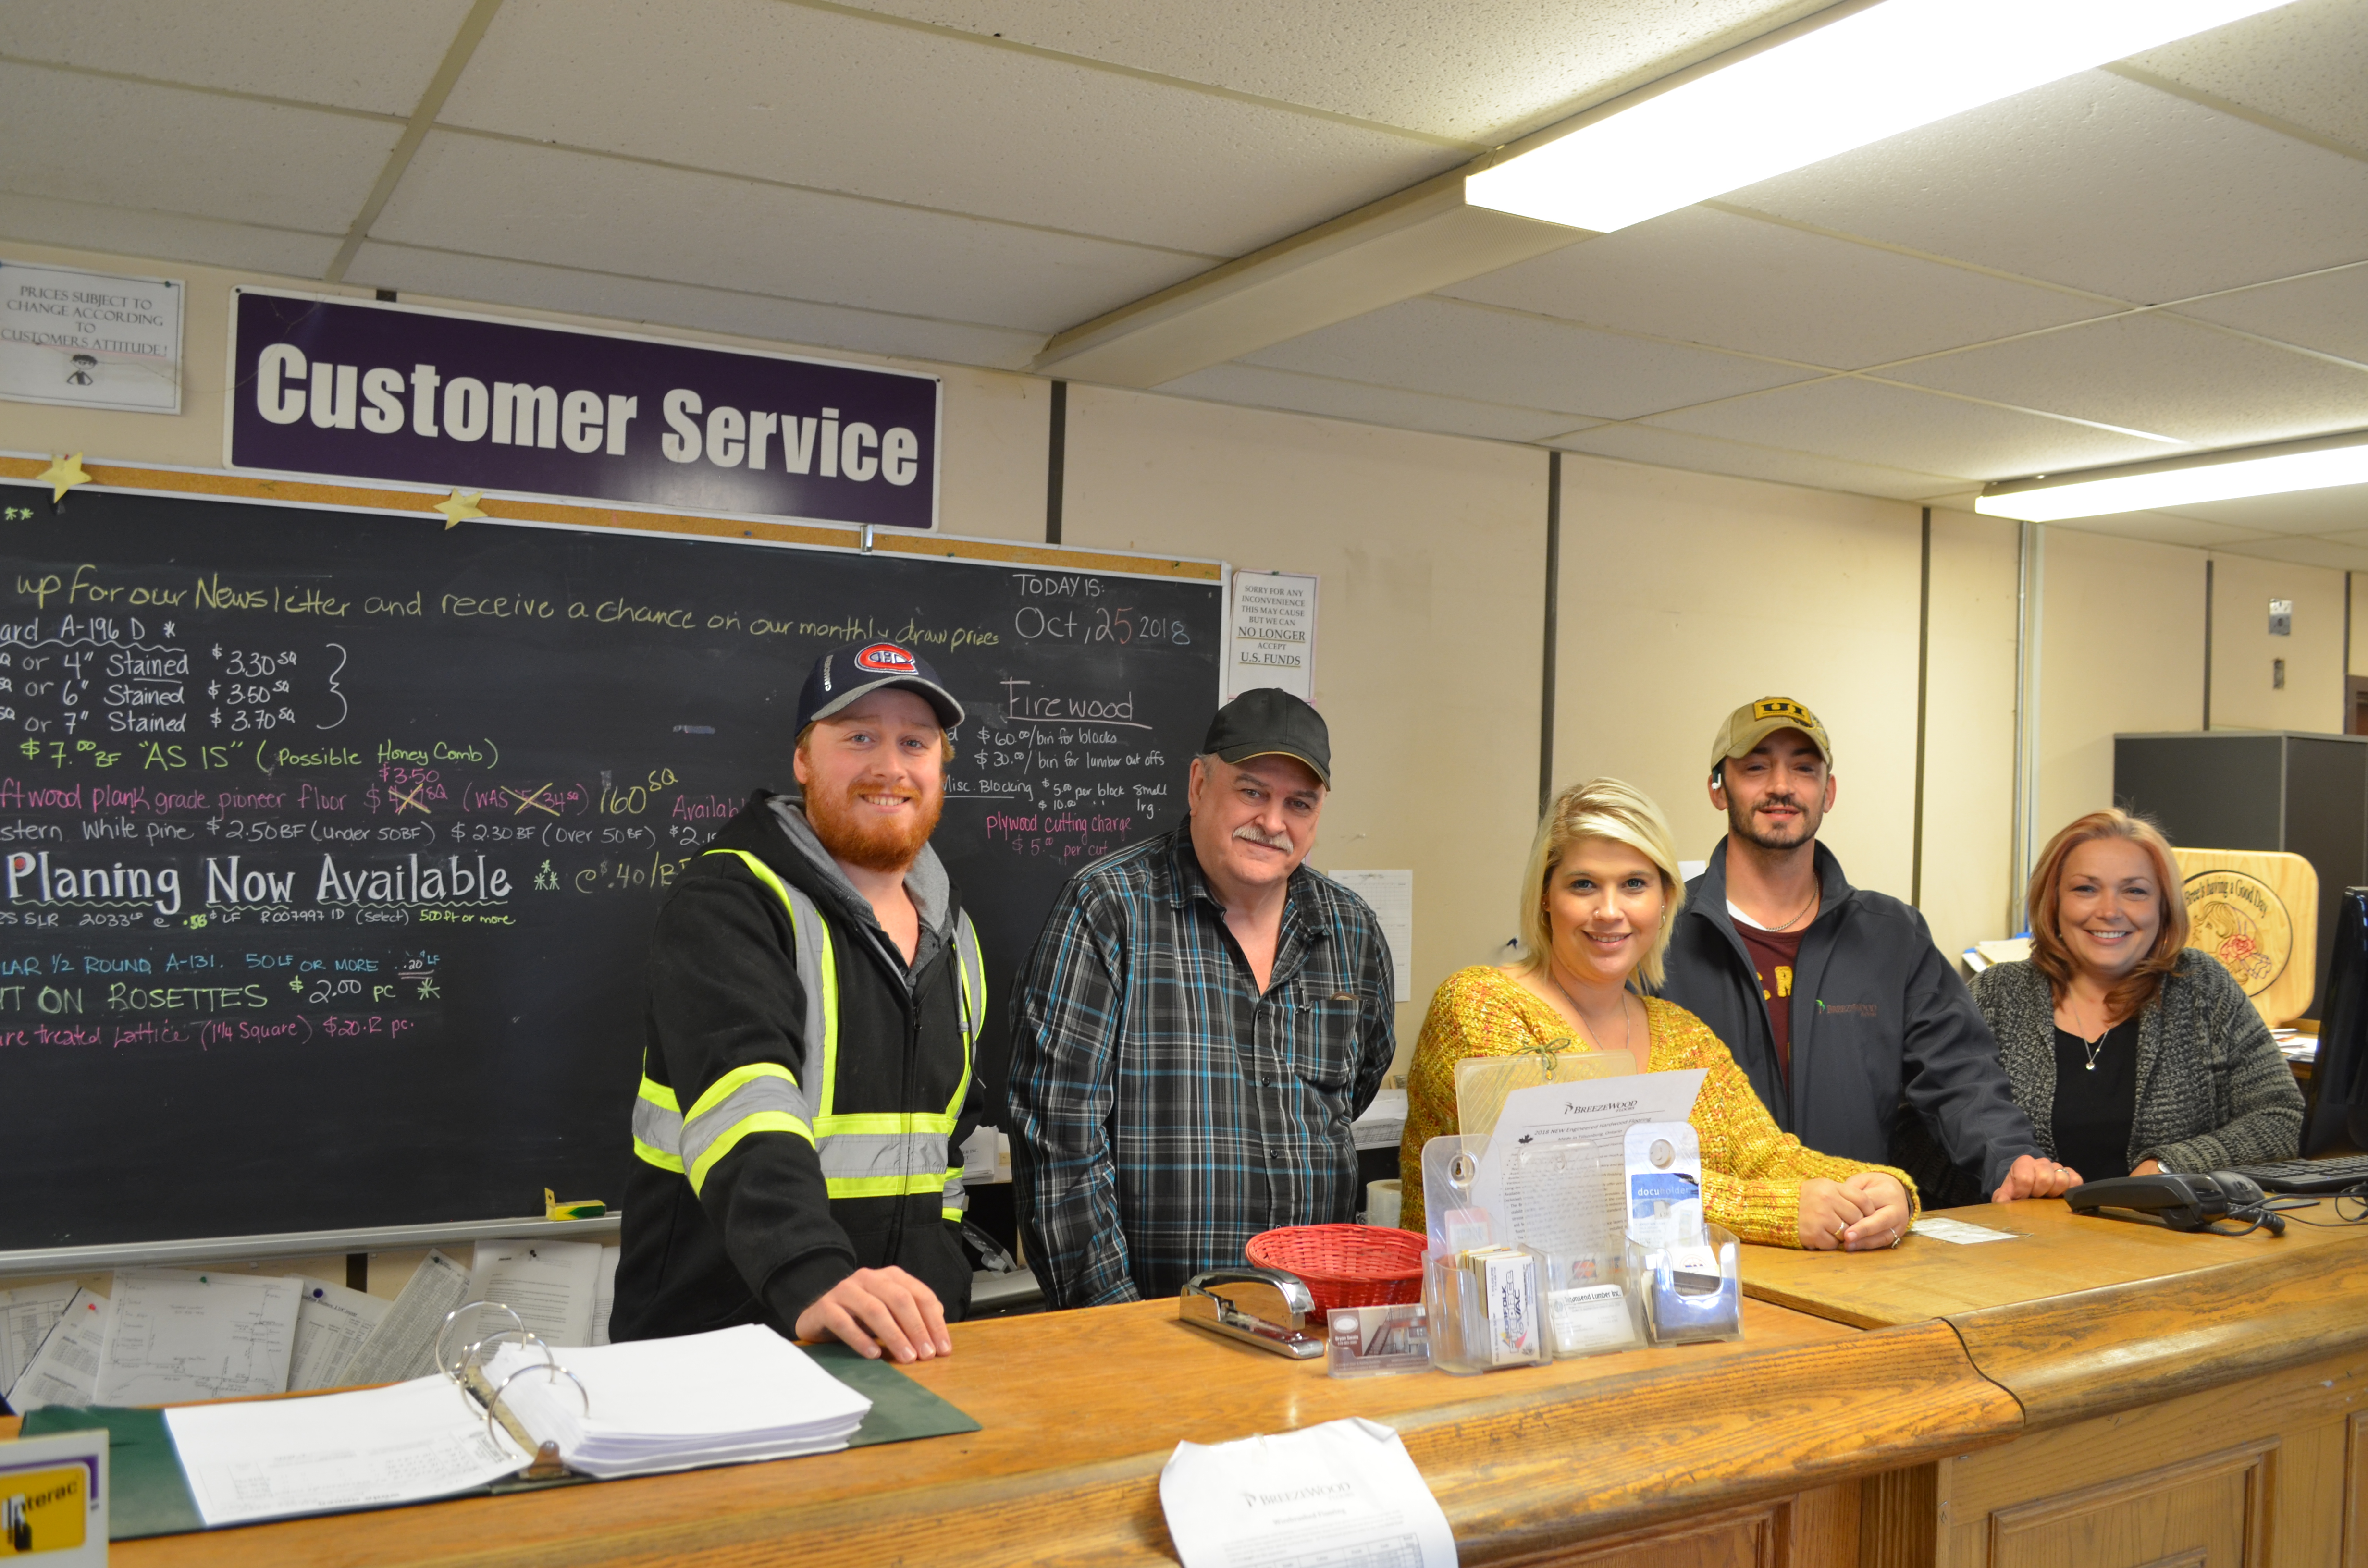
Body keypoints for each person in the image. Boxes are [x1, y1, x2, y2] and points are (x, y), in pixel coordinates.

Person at [612, 640, 988, 1362]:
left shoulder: (954, 934)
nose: (890, 765)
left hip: (896, 1346)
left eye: (915, 741)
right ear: (803, 761)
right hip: (721, 1345)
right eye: (858, 737)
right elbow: (744, 1106)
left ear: (940, 766)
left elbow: (946, 1145)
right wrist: (814, 1273)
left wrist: (942, 1283)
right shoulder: (730, 902)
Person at [1400, 777, 1917, 1249]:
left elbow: (1766, 1158)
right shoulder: (1480, 1004)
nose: (1609, 911)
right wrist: (1781, 1211)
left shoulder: (1681, 1033)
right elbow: (1571, 1182)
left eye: (1634, 884)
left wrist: (1881, 1189)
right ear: (1544, 898)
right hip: (1499, 1330)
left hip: (1648, 1328)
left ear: (1665, 899)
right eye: (1583, 885)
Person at [1007, 688, 1397, 1308]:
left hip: (1314, 1325)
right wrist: (1118, 1328)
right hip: (1155, 1331)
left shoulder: (1350, 931)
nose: (1273, 823)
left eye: (1298, 803)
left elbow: (1355, 1089)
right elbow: (1058, 1146)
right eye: (1251, 792)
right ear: (1197, 784)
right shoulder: (1107, 911)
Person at [1659, 697, 2077, 1204]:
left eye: (1803, 768)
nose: (1780, 786)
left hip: (1860, 1232)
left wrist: (2010, 1162)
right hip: (1711, 1238)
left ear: (1827, 791)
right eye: (1754, 767)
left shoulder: (1892, 936)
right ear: (1716, 788)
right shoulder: (1661, 937)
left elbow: (1961, 1077)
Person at [1971, 810, 2302, 1179]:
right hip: (2024, 1235)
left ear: (2163, 907)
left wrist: (2170, 1166)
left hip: (2165, 1234)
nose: (2110, 911)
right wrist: (2006, 1174)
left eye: (2135, 891)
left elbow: (2280, 1119)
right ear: (2054, 902)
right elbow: (1923, 1129)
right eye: (2086, 889)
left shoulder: (2201, 986)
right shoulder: (1996, 994)